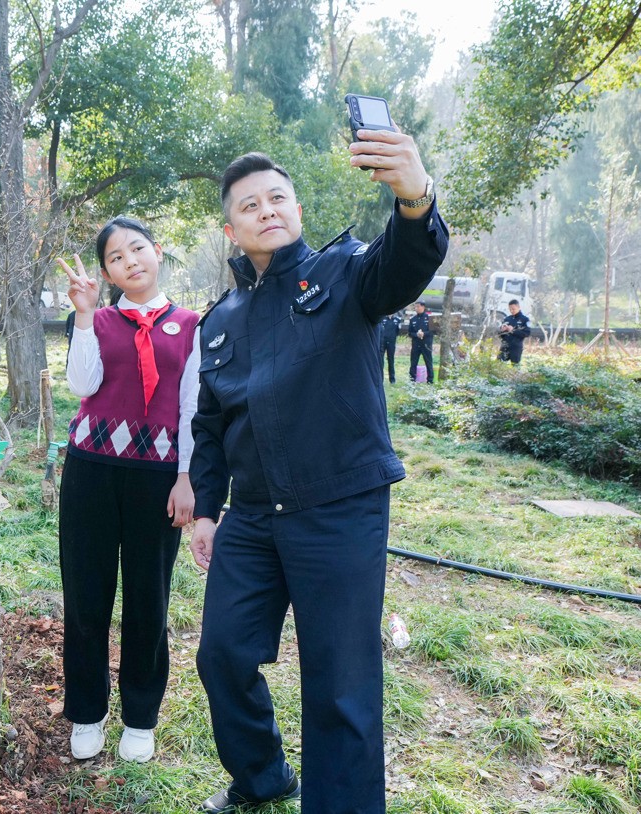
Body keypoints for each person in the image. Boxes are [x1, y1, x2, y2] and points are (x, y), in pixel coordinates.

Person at [190, 139, 447, 814]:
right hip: (252, 516)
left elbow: (404, 265)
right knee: (222, 653)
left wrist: (414, 199)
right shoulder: (219, 322)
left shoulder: (345, 272)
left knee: (340, 685)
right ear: (232, 230)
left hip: (338, 507)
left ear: (297, 209)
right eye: (250, 205)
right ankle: (262, 777)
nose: (266, 211)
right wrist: (207, 510)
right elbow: (210, 427)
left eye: (277, 198)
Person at [56, 216, 200, 765]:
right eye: (115, 257)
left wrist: (187, 477)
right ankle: (87, 710)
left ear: (157, 251)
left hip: (157, 478)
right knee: (85, 594)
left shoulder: (191, 325)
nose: (129, 261)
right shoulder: (97, 320)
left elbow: (193, 407)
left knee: (148, 597)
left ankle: (140, 717)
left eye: (136, 249)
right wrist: (85, 315)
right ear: (106, 272)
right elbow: (82, 384)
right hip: (90, 470)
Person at [498, 299, 530, 365]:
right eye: (510, 309)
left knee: (515, 366)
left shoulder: (525, 319)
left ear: (518, 307)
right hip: (505, 346)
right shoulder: (507, 319)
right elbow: (500, 334)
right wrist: (502, 330)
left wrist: (513, 330)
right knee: (498, 364)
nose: (511, 311)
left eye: (513, 309)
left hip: (516, 347)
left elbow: (527, 333)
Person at [408, 301, 433, 384]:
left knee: (428, 362)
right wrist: (416, 335)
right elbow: (410, 333)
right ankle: (412, 380)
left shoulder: (429, 318)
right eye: (415, 307)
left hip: (426, 344)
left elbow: (433, 331)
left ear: (423, 307)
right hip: (416, 344)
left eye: (418, 306)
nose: (416, 308)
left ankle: (430, 380)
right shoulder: (413, 319)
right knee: (413, 362)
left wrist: (424, 334)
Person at [378, 312, 401, 383]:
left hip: (391, 343)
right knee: (380, 361)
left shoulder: (397, 320)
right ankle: (380, 379)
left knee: (391, 360)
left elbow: (397, 331)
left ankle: (392, 379)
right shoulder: (382, 319)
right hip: (382, 342)